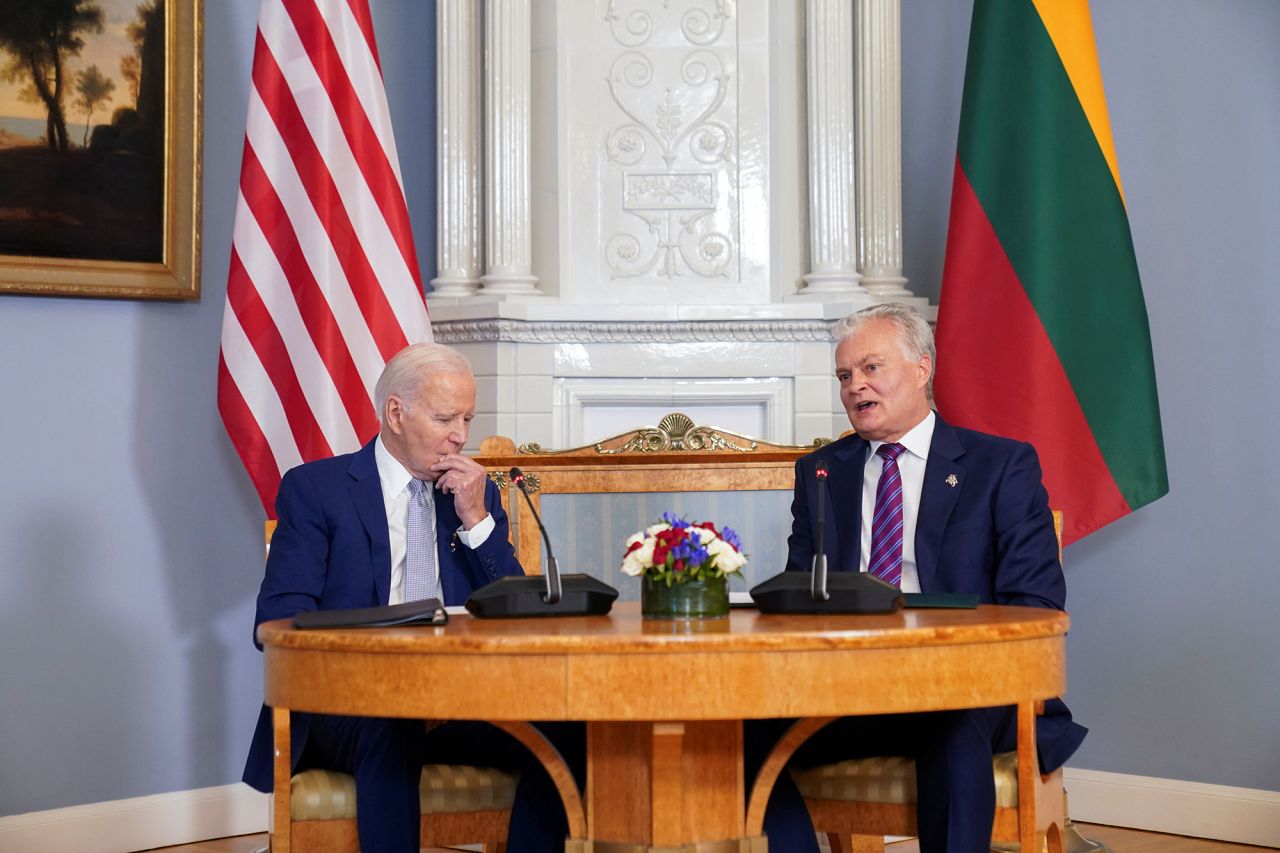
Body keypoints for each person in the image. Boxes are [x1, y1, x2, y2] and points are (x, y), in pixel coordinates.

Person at [241, 342, 580, 853]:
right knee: (391, 722)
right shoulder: (318, 489)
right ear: (395, 413)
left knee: (569, 732)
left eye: (467, 418)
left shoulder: (475, 493)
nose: (460, 436)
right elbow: (279, 619)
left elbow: (517, 610)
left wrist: (476, 522)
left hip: (460, 698)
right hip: (351, 703)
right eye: (445, 417)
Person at [779, 303, 1087, 852]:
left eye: (872, 368)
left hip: (966, 684)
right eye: (845, 376)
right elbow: (802, 594)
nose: (855, 387)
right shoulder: (822, 471)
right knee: (739, 736)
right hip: (849, 686)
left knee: (951, 722)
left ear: (922, 369)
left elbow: (1035, 605)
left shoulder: (1001, 466)